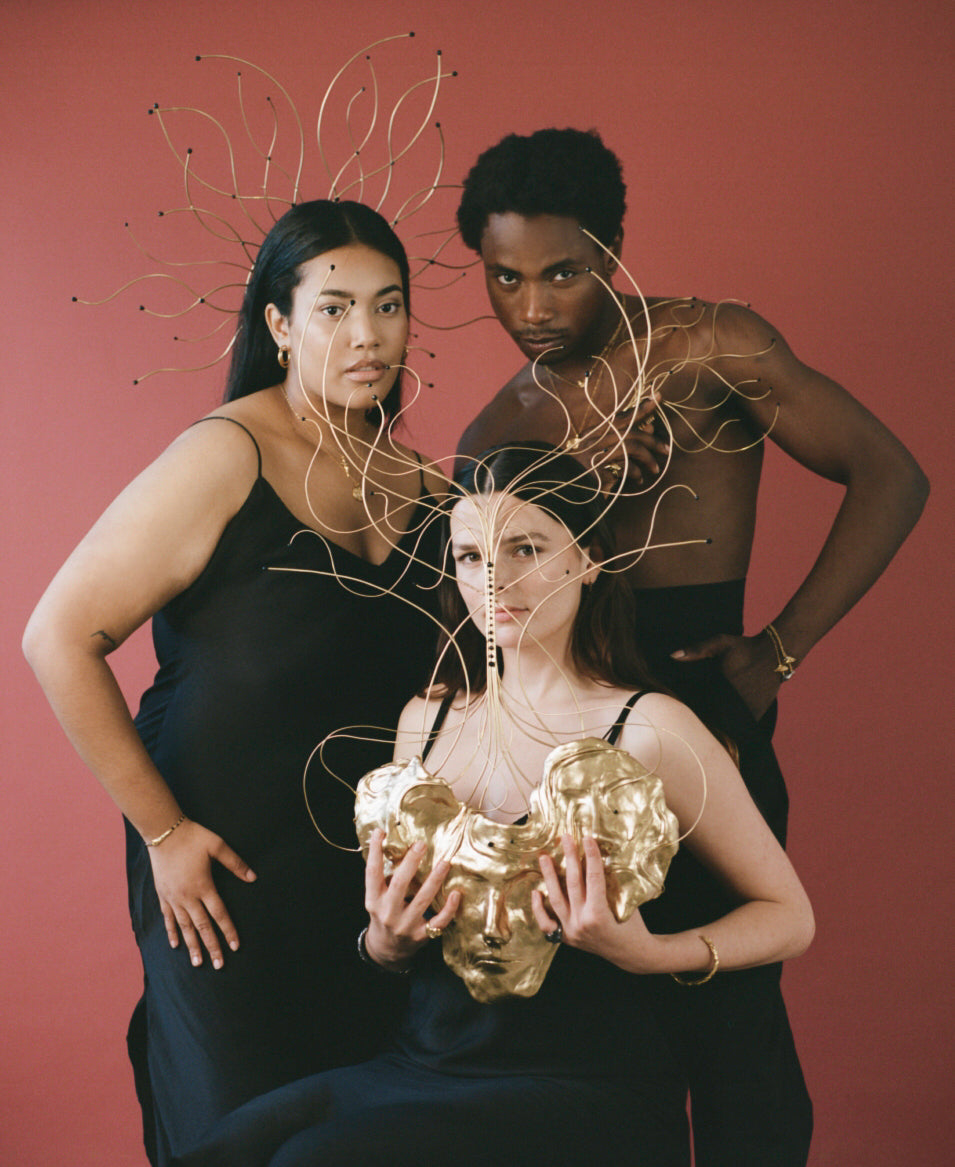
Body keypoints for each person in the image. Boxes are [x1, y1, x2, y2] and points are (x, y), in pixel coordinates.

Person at [454, 128, 929, 1163]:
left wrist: (781, 650)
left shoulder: (709, 345)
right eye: (504, 278)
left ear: (614, 250)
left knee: (733, 1025)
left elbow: (893, 475)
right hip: (567, 741)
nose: (531, 307)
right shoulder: (494, 433)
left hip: (698, 702)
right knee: (590, 1025)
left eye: (563, 273)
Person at [173, 443, 814, 1167]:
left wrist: (651, 953)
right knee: (218, 1152)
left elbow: (789, 915)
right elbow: (391, 935)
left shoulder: (649, 727)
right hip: (425, 1062)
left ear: (589, 558)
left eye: (525, 547)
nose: (494, 579)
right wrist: (383, 944)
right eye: (471, 556)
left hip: (581, 1084)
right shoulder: (428, 719)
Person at [22, 199, 447, 1166]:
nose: (368, 334)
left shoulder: (433, 490)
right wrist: (163, 834)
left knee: (362, 1138)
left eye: (388, 306)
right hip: (221, 878)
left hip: (370, 895)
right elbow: (55, 637)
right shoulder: (228, 452)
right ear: (279, 324)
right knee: (237, 1134)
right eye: (334, 307)